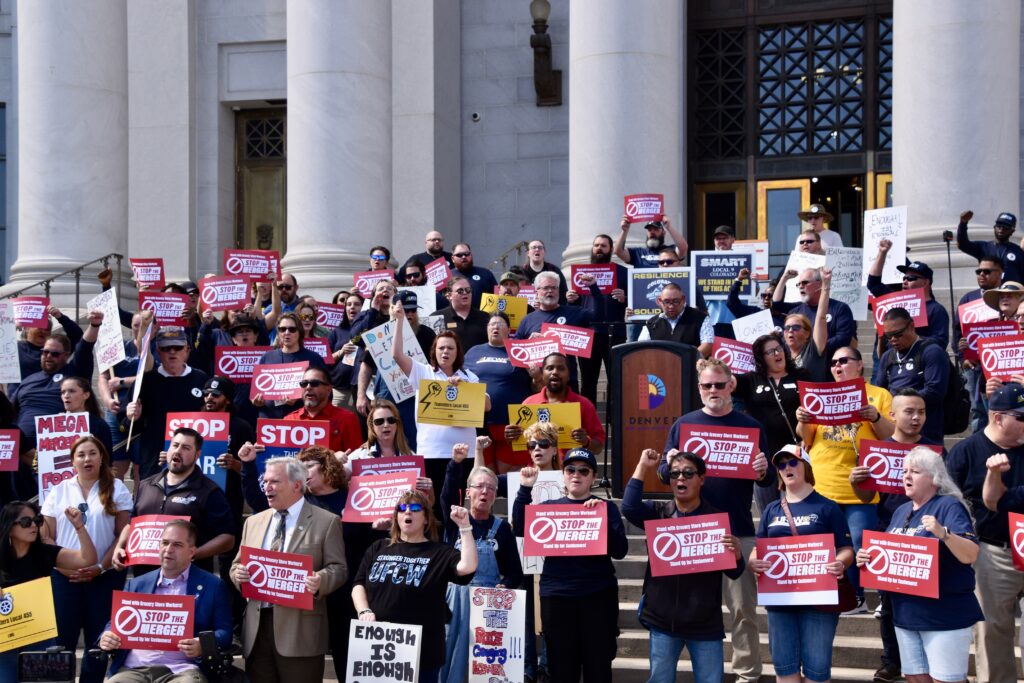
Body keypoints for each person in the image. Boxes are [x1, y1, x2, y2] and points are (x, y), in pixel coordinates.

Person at [660, 357, 774, 683]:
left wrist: (764, 471)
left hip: (736, 531)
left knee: (742, 613)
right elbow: (664, 474)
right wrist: (667, 464)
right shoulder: (683, 425)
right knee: (686, 608)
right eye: (707, 385)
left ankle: (748, 675)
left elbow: (765, 483)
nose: (714, 390)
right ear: (699, 389)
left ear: (731, 386)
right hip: (690, 531)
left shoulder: (751, 427)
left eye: (719, 385)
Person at [852, 447, 981, 683]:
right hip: (905, 616)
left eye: (915, 471)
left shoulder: (949, 506)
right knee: (915, 678)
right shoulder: (901, 511)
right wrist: (867, 559)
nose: (907, 476)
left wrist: (944, 534)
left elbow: (971, 554)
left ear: (934, 478)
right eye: (904, 471)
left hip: (944, 616)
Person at [622, 448, 745, 683]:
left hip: (704, 624)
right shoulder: (657, 513)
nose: (680, 478)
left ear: (701, 479)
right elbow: (628, 507)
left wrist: (737, 555)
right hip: (662, 621)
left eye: (688, 473)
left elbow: (735, 572)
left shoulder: (717, 520)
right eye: (675, 473)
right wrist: (642, 465)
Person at [848, 389, 942, 683]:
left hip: (927, 535)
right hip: (888, 532)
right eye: (909, 411)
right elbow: (865, 498)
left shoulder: (935, 451)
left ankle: (927, 662)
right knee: (888, 607)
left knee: (926, 605)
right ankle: (891, 662)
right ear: (892, 415)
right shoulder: (877, 450)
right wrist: (856, 483)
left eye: (922, 412)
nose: (916, 418)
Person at [512, 448, 628, 683]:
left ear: (592, 477)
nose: (576, 474)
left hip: (598, 595)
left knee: (598, 666)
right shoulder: (548, 507)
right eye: (570, 469)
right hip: (557, 596)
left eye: (583, 470)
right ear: (563, 474)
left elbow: (621, 551)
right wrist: (525, 488)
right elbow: (520, 527)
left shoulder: (606, 508)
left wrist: (601, 518)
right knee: (561, 667)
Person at [230, 456, 347, 682]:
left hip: (300, 631)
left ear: (296, 485)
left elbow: (339, 569)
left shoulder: (327, 521)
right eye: (265, 481)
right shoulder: (253, 522)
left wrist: (320, 580)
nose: (266, 487)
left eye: (274, 481)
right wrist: (238, 574)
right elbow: (236, 565)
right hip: (257, 629)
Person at [796, 344, 892, 614]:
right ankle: (825, 593)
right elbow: (806, 439)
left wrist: (874, 416)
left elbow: (892, 436)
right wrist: (803, 418)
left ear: (861, 365)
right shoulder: (820, 393)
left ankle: (857, 597)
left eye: (844, 360)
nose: (837, 366)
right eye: (834, 362)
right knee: (824, 544)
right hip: (823, 484)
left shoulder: (879, 395)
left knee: (860, 542)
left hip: (862, 485)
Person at [749, 445, 854, 683]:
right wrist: (753, 561)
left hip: (818, 598)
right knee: (784, 670)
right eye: (781, 465)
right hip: (780, 598)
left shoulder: (828, 507)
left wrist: (840, 563)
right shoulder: (770, 510)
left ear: (806, 466)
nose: (787, 468)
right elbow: (759, 547)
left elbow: (847, 548)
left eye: (792, 462)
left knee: (817, 672)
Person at [352, 490, 477, 683]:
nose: (407, 511)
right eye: (402, 508)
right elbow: (358, 585)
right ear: (396, 516)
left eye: (415, 507)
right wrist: (364, 611)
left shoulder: (439, 552)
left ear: (426, 518)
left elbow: (467, 567)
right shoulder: (378, 547)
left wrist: (465, 527)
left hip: (422, 654)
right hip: (376, 650)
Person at [946, 382, 1024, 683]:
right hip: (992, 552)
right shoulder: (967, 451)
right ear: (998, 417)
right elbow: (950, 503)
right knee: (991, 631)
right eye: (1021, 417)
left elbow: (997, 500)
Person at [41, 435, 131, 683]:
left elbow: (122, 535)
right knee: (61, 642)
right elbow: (46, 537)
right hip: (63, 578)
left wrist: (100, 568)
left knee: (97, 642)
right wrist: (64, 567)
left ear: (102, 458)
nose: (87, 458)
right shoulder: (58, 490)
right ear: (72, 462)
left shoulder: (117, 488)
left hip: (104, 577)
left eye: (92, 453)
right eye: (80, 455)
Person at [98, 520, 233, 683]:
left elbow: (225, 633)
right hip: (134, 668)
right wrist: (106, 636)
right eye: (165, 543)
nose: (169, 550)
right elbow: (115, 624)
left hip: (183, 670)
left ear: (191, 552)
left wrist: (202, 643)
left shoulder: (213, 585)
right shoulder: (136, 584)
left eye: (177, 545)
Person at [390, 305, 490, 501]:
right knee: (434, 506)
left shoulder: (469, 376)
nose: (445, 352)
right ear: (434, 351)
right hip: (432, 452)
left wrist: (465, 388)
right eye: (441, 348)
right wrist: (399, 321)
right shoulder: (423, 372)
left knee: (459, 503)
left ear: (457, 352)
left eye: (450, 348)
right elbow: (396, 356)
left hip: (465, 453)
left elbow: (487, 406)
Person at [439, 451, 524, 683]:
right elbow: (446, 496)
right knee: (450, 657)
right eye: (479, 486)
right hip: (455, 601)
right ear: (468, 492)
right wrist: (454, 464)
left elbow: (515, 572)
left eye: (491, 488)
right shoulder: (455, 519)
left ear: (496, 495)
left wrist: (504, 586)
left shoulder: (503, 529)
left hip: (488, 604)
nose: (485, 491)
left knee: (486, 666)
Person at [112, 427, 235, 573]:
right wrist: (119, 547)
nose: (178, 451)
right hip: (145, 580)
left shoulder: (209, 491)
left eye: (186, 448)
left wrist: (192, 554)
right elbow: (131, 524)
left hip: (188, 580)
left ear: (197, 455)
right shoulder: (145, 485)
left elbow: (228, 539)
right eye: (175, 445)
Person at [0, 501, 96, 680]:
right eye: (26, 522)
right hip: (4, 640)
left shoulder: (44, 553)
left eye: (37, 520)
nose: (34, 525)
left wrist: (79, 527)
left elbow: (87, 559)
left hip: (38, 635)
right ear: (9, 527)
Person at [734, 332, 811, 513]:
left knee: (799, 511)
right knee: (771, 514)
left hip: (796, 455)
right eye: (770, 352)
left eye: (778, 349)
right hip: (765, 459)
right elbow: (725, 381)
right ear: (761, 358)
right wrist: (708, 364)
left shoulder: (802, 375)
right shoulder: (750, 380)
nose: (777, 354)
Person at [11, 310, 102, 449]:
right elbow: (9, 414)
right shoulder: (27, 381)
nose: (48, 356)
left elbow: (84, 346)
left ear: (66, 355)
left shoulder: (73, 374)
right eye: (45, 352)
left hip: (57, 450)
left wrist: (94, 325)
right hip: (21, 451)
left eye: (54, 354)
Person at [127, 324, 208, 478]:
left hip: (191, 460)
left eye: (177, 347)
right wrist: (133, 417)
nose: (172, 351)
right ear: (158, 351)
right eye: (166, 348)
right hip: (154, 458)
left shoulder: (201, 379)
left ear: (187, 350)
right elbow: (126, 425)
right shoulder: (146, 381)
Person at [464, 312, 534, 472]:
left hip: (511, 425)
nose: (495, 327)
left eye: (500, 324)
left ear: (509, 329)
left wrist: (536, 374)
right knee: (483, 473)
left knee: (511, 474)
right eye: (492, 324)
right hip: (480, 425)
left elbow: (536, 387)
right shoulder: (473, 352)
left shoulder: (521, 352)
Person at [873, 307, 950, 444]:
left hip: (925, 432)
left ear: (912, 326)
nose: (893, 340)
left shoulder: (931, 351)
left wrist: (903, 403)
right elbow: (880, 390)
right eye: (888, 336)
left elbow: (935, 391)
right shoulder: (888, 356)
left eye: (897, 334)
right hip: (894, 431)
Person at [505, 352, 605, 455]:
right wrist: (511, 437)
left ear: (569, 375)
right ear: (542, 373)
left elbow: (598, 448)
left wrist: (586, 441)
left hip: (571, 469)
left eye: (561, 368)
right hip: (538, 470)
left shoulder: (584, 405)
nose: (555, 372)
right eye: (550, 368)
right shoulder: (528, 404)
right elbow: (519, 445)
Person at [568, 234, 627, 406]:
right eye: (596, 245)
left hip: (614, 332)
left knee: (616, 380)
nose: (599, 249)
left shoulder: (622, 272)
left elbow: (636, 299)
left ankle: (615, 420)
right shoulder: (580, 273)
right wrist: (570, 299)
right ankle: (589, 420)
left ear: (610, 250)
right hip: (587, 335)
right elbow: (575, 305)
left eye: (603, 246)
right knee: (588, 381)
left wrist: (626, 298)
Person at [515, 271, 592, 390]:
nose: (550, 291)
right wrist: (528, 345)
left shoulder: (573, 312)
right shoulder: (527, 320)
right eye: (546, 288)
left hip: (567, 383)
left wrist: (593, 287)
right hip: (539, 383)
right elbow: (514, 352)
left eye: (554, 287)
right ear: (536, 291)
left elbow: (599, 315)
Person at [867, 245, 950, 351]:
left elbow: (940, 342)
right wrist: (882, 253)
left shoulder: (936, 310)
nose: (905, 281)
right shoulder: (895, 301)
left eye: (911, 278)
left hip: (919, 363)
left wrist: (911, 338)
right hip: (894, 362)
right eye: (904, 278)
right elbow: (873, 284)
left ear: (925, 282)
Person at [954, 257, 1003, 431]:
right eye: (979, 271)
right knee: (977, 410)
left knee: (1001, 408)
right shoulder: (968, 299)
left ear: (1000, 273)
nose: (982, 274)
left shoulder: (1006, 297)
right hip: (974, 366)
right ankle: (978, 445)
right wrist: (962, 358)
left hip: (1001, 364)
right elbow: (958, 331)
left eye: (987, 271)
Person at [774, 267, 856, 358]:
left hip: (829, 365)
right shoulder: (795, 312)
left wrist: (814, 349)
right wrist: (784, 278)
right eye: (799, 284)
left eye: (805, 282)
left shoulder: (840, 308)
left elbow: (843, 337)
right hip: (800, 366)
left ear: (819, 285)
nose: (801, 286)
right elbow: (776, 305)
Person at [284, 366, 362, 452]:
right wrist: (267, 449)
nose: (308, 387)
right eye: (304, 383)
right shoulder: (289, 420)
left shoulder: (347, 419)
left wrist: (336, 460)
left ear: (329, 389)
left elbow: (355, 458)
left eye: (314, 383)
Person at [637, 282, 713, 356]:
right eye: (666, 302)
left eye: (675, 301)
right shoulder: (652, 323)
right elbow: (641, 349)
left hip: (691, 366)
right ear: (659, 301)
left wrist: (686, 360)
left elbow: (708, 344)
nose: (671, 306)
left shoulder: (700, 318)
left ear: (683, 300)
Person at [59, 376, 116, 472]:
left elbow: (107, 461)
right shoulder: (51, 426)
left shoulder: (99, 425)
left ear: (86, 395)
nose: (66, 395)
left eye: (72, 391)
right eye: (63, 392)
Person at [957, 209, 1023, 283]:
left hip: (1011, 293)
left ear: (1012, 231)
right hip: (989, 292)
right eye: (999, 225)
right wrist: (963, 223)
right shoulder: (983, 247)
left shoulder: (1018, 251)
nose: (1001, 229)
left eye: (1006, 227)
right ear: (994, 227)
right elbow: (963, 245)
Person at [327, 289, 363, 408]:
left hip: (362, 391)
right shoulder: (336, 332)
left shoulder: (370, 330)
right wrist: (341, 352)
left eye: (357, 304)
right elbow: (325, 361)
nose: (352, 307)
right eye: (349, 304)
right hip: (339, 390)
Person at [435, 274, 489, 349]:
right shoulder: (437, 317)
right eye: (460, 291)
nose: (465, 293)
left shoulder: (485, 317)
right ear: (450, 295)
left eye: (468, 290)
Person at [614, 214, 688, 267]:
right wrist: (624, 231)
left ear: (663, 232)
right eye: (649, 230)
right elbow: (618, 251)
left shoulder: (671, 250)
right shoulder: (638, 253)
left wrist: (669, 226)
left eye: (656, 229)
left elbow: (683, 248)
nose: (652, 232)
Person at [450, 242, 497, 309]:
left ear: (471, 255)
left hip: (482, 318)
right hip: (454, 318)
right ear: (452, 259)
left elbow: (497, 296)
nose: (463, 257)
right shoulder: (447, 276)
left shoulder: (486, 273)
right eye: (459, 255)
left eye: (466, 254)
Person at [522, 239, 568, 304]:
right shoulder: (520, 271)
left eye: (540, 247)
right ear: (528, 253)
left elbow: (563, 292)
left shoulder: (554, 270)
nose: (537, 249)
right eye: (533, 247)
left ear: (544, 252)